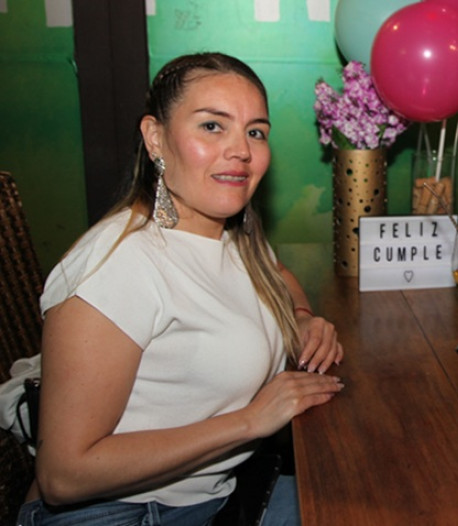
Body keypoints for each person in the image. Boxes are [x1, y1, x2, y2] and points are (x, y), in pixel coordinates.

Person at [17, 52, 344, 525]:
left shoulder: (231, 232)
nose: (241, 150)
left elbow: (277, 274)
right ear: (155, 138)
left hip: (218, 495)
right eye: (213, 126)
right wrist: (251, 420)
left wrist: (301, 316)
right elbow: (65, 475)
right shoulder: (117, 266)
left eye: (256, 132)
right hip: (119, 514)